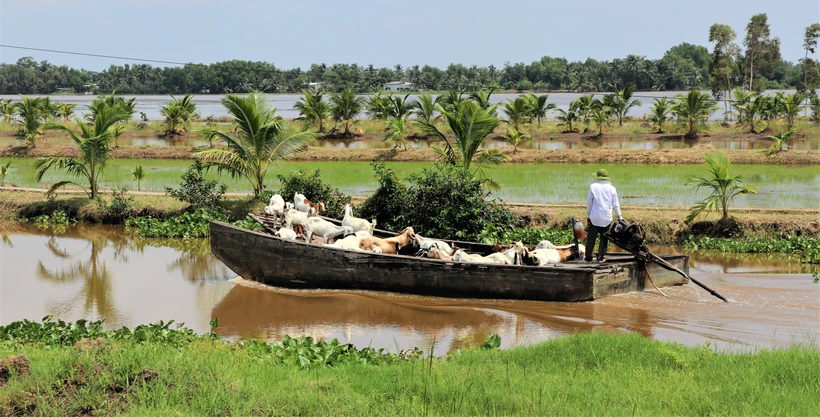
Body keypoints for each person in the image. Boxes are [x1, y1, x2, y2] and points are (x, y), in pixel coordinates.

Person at [585, 169, 622, 262]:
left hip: (594, 217)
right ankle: (600, 257)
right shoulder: (612, 188)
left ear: (598, 177)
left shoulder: (593, 187)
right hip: (606, 218)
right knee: (604, 238)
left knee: (591, 238)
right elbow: (616, 204)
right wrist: (620, 217)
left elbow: (589, 203)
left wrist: (589, 214)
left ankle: (588, 257)